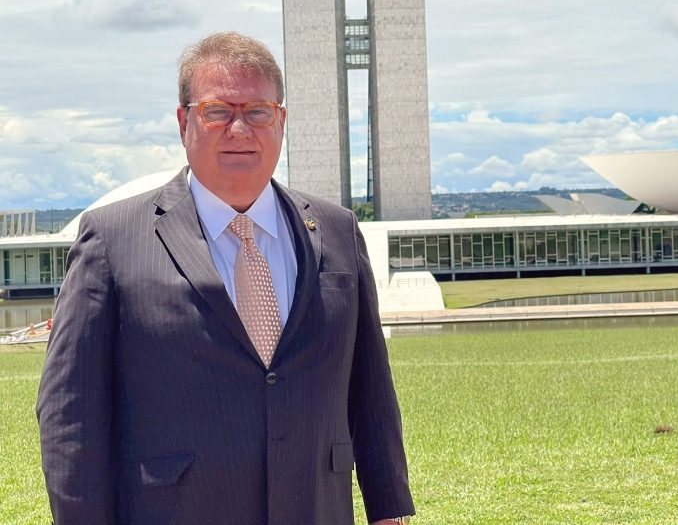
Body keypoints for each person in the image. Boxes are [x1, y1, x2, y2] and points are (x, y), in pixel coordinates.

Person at [36, 32, 415, 525]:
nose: (239, 129)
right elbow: (70, 414)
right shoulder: (112, 239)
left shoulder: (337, 230)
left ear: (281, 121)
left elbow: (370, 389)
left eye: (258, 111)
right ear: (184, 122)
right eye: (217, 111)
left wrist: (389, 509)